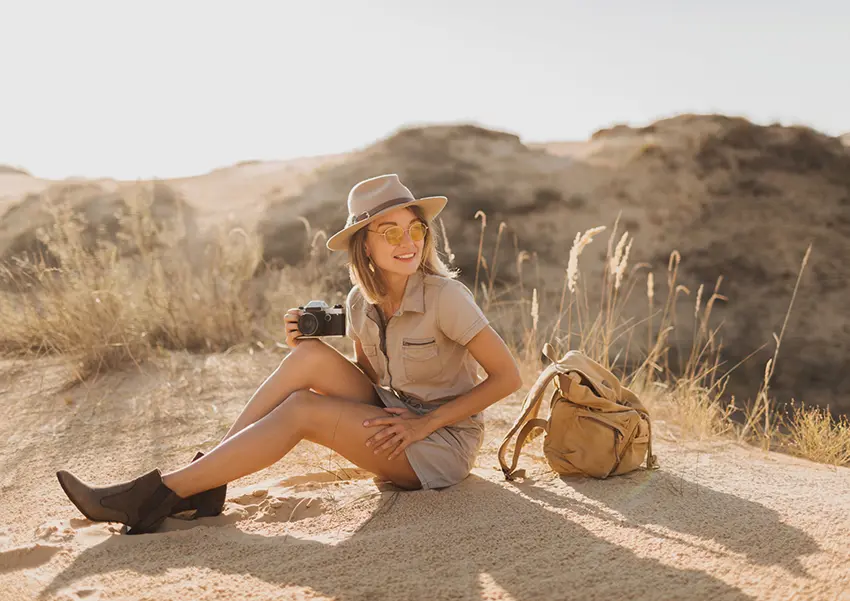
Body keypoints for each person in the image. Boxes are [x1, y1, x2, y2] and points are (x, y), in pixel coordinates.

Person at [56, 173, 523, 534]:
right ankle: (206, 480)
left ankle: (160, 494)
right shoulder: (362, 301)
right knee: (307, 358)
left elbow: (508, 378)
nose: (409, 243)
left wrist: (424, 423)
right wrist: (309, 352)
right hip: (395, 414)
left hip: (440, 445)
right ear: (364, 244)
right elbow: (369, 382)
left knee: (302, 409)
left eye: (414, 229)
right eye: (390, 232)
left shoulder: (447, 296)